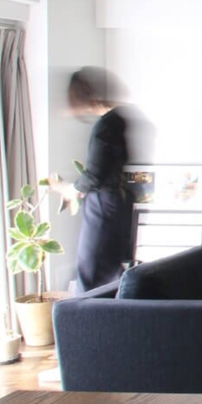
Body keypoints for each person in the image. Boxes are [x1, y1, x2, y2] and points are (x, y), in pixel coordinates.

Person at [48, 67, 137, 292]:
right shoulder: (121, 119)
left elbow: (95, 175)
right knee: (109, 269)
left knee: (91, 269)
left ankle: (84, 313)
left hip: (103, 204)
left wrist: (71, 188)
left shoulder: (106, 125)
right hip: (118, 202)